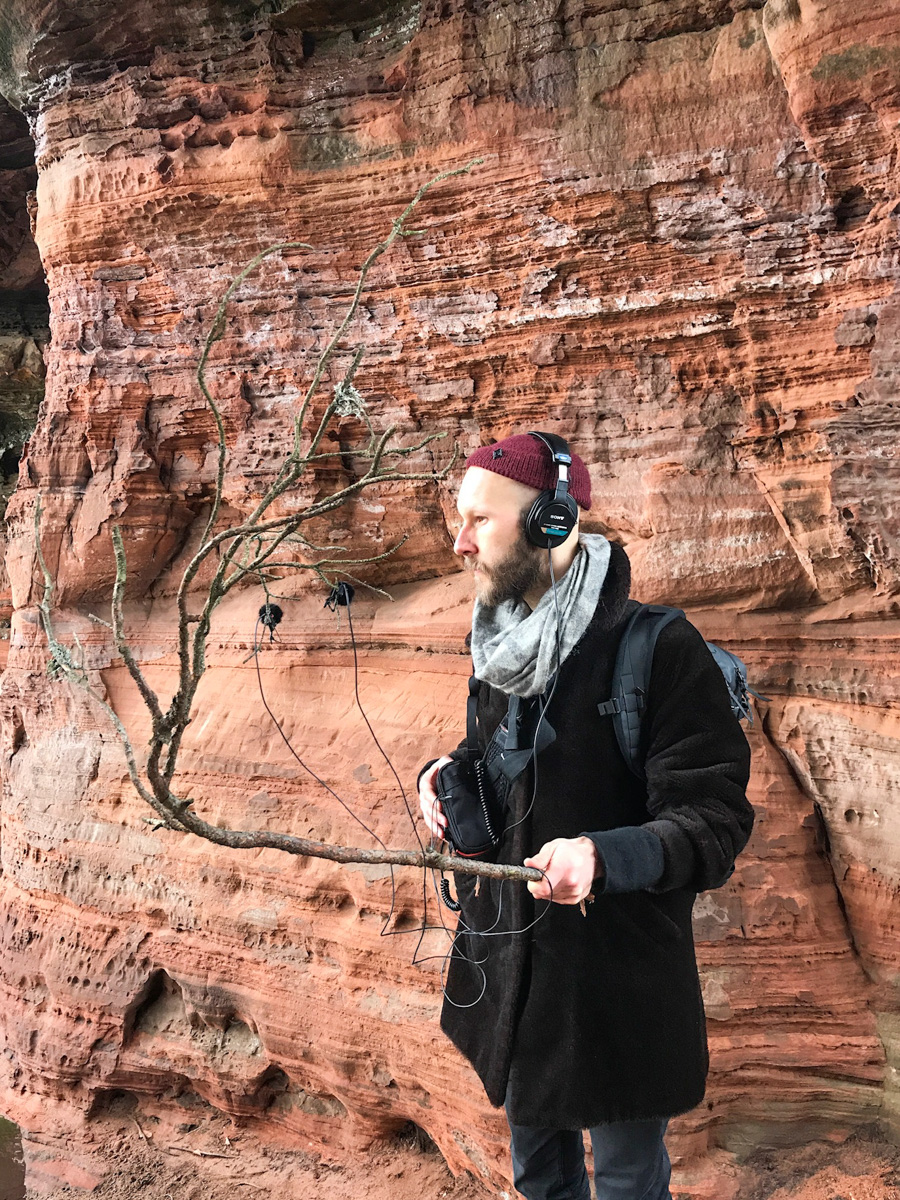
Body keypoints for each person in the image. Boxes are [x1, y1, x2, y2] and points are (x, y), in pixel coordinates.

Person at [418, 431, 754, 1200]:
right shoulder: (498, 643)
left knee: (631, 1184)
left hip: (621, 990)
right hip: (514, 978)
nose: (460, 542)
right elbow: (491, 761)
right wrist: (439, 777)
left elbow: (713, 824)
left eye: (480, 520)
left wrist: (600, 857)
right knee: (540, 1178)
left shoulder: (661, 650)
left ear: (552, 521)